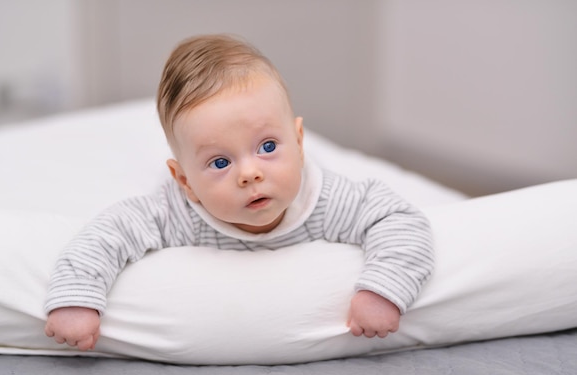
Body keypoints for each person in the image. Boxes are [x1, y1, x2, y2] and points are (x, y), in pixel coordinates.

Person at [44, 34, 434, 351]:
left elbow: (400, 220)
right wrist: (76, 301)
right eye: (219, 163)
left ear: (298, 142)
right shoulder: (173, 212)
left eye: (268, 147)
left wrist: (382, 291)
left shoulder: (328, 199)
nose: (250, 173)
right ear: (185, 183)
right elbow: (105, 236)